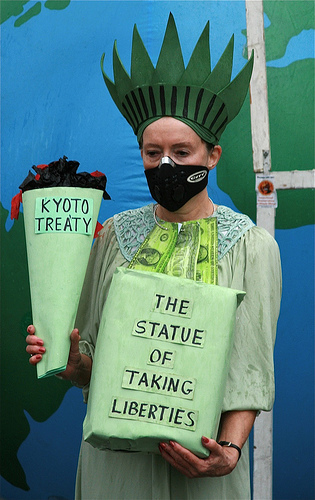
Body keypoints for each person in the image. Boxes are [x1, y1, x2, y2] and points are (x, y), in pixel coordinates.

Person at [26, 14, 281, 499]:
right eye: (152, 152)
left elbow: (251, 368)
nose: (165, 165)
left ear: (213, 156)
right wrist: (67, 357)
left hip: (201, 466)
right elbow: (90, 365)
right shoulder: (114, 236)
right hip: (113, 467)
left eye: (182, 152)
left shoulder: (250, 245)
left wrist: (227, 451)